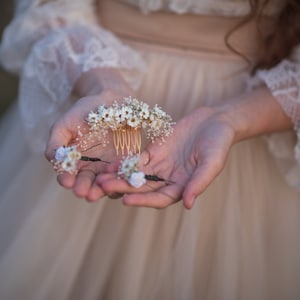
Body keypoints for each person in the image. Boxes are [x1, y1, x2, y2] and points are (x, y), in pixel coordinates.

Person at [0, 0, 300, 299]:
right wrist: (103, 84)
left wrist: (232, 119)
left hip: (254, 120)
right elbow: (51, 10)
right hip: (99, 87)